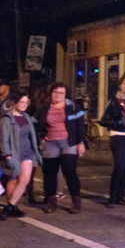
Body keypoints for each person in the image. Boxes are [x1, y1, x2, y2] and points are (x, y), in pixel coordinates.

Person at [37, 82, 86, 214]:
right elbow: (36, 122)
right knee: (49, 174)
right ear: (51, 93)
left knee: (69, 171)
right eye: (56, 92)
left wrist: (81, 143)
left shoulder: (73, 107)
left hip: (68, 142)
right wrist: (41, 138)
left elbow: (80, 126)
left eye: (61, 93)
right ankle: (51, 202)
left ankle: (76, 200)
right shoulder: (44, 108)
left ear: (65, 94)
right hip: (50, 143)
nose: (58, 95)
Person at [0, 92, 42, 218]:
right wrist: (7, 154)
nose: (24, 105)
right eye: (21, 102)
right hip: (13, 153)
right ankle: (13, 207)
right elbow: (3, 139)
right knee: (13, 180)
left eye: (26, 103)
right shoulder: (6, 119)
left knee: (24, 180)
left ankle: (9, 207)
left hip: (27, 152)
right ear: (15, 102)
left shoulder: (27, 117)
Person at [100, 76, 125, 206]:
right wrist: (118, 123)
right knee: (120, 166)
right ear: (120, 86)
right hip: (118, 136)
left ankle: (120, 196)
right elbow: (104, 120)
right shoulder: (114, 102)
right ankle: (112, 197)